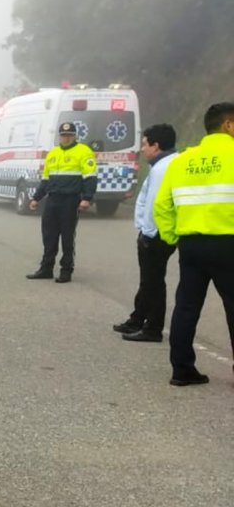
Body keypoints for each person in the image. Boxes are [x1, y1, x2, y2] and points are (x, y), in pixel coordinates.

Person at [153, 102, 234, 387]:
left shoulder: (182, 161)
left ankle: (182, 369)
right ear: (228, 125)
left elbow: (162, 205)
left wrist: (172, 236)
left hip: (191, 244)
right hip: (228, 243)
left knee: (186, 307)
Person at [113, 124, 179, 343]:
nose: (142, 149)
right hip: (156, 231)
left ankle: (153, 328)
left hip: (156, 234)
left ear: (156, 145)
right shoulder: (164, 164)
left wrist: (147, 232)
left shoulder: (163, 168)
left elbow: (155, 205)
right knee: (149, 280)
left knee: (153, 282)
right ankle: (137, 319)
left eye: (144, 144)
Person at [27, 121, 97, 283]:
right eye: (63, 135)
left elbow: (90, 177)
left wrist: (87, 198)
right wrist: (36, 198)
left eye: (69, 135)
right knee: (49, 236)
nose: (66, 138)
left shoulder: (83, 151)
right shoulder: (53, 153)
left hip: (70, 200)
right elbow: (45, 180)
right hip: (52, 199)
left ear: (74, 136)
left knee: (67, 236)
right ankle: (46, 269)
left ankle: (66, 270)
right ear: (59, 136)